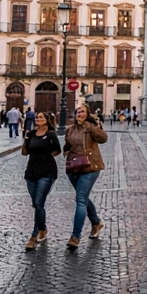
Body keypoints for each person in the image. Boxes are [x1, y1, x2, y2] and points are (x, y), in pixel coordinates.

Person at [62, 104, 107, 250]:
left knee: (80, 199)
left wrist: (91, 127)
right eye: (77, 111)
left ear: (87, 114)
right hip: (74, 168)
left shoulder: (92, 127)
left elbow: (103, 139)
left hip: (90, 167)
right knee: (84, 197)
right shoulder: (70, 129)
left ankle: (75, 236)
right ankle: (96, 223)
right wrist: (66, 153)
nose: (79, 113)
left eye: (82, 111)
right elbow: (68, 146)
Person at [22, 112, 62, 251]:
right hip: (31, 172)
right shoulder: (31, 134)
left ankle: (34, 236)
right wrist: (25, 139)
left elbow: (57, 150)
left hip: (47, 172)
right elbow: (24, 153)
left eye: (41, 118)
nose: (38, 119)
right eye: (37, 118)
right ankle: (43, 228)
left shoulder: (51, 134)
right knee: (36, 204)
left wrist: (46, 155)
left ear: (47, 121)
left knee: (39, 203)